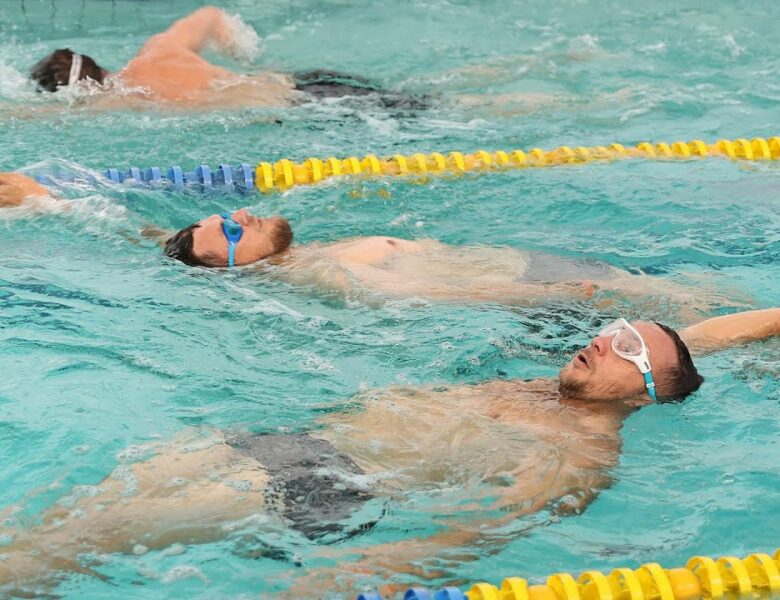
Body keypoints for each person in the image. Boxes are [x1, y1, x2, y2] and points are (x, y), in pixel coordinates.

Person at [0, 308, 777, 595]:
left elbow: (496, 526)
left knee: (83, 540)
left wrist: (388, 569)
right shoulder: (549, 390)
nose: (605, 339)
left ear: (644, 391)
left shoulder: (583, 453)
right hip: (284, 440)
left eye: (627, 347)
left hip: (327, 484)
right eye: (616, 326)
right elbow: (714, 334)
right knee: (59, 515)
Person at [0, 171, 721, 309]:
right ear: (237, 273)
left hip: (536, 270)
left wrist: (49, 200)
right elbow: (423, 296)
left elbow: (153, 237)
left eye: (227, 215)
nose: (237, 216)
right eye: (229, 232)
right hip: (538, 287)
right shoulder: (312, 277)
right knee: (712, 304)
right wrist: (552, 294)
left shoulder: (288, 252)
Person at [27, 6, 427, 110]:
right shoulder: (157, 50)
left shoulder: (125, 98)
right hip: (302, 79)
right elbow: (211, 15)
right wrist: (245, 59)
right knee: (427, 99)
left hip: (311, 106)